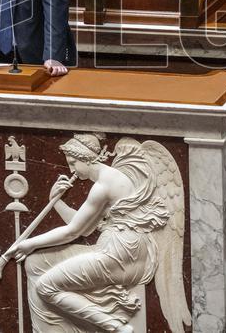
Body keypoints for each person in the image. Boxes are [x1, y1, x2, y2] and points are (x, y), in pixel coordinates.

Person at [10, 134, 172, 333]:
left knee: (46, 287)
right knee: (35, 263)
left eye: (73, 162)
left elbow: (72, 232)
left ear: (86, 158)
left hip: (120, 254)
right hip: (121, 248)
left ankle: (115, 327)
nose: (71, 170)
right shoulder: (113, 177)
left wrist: (30, 243)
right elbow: (85, 228)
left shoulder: (103, 185)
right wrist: (57, 201)